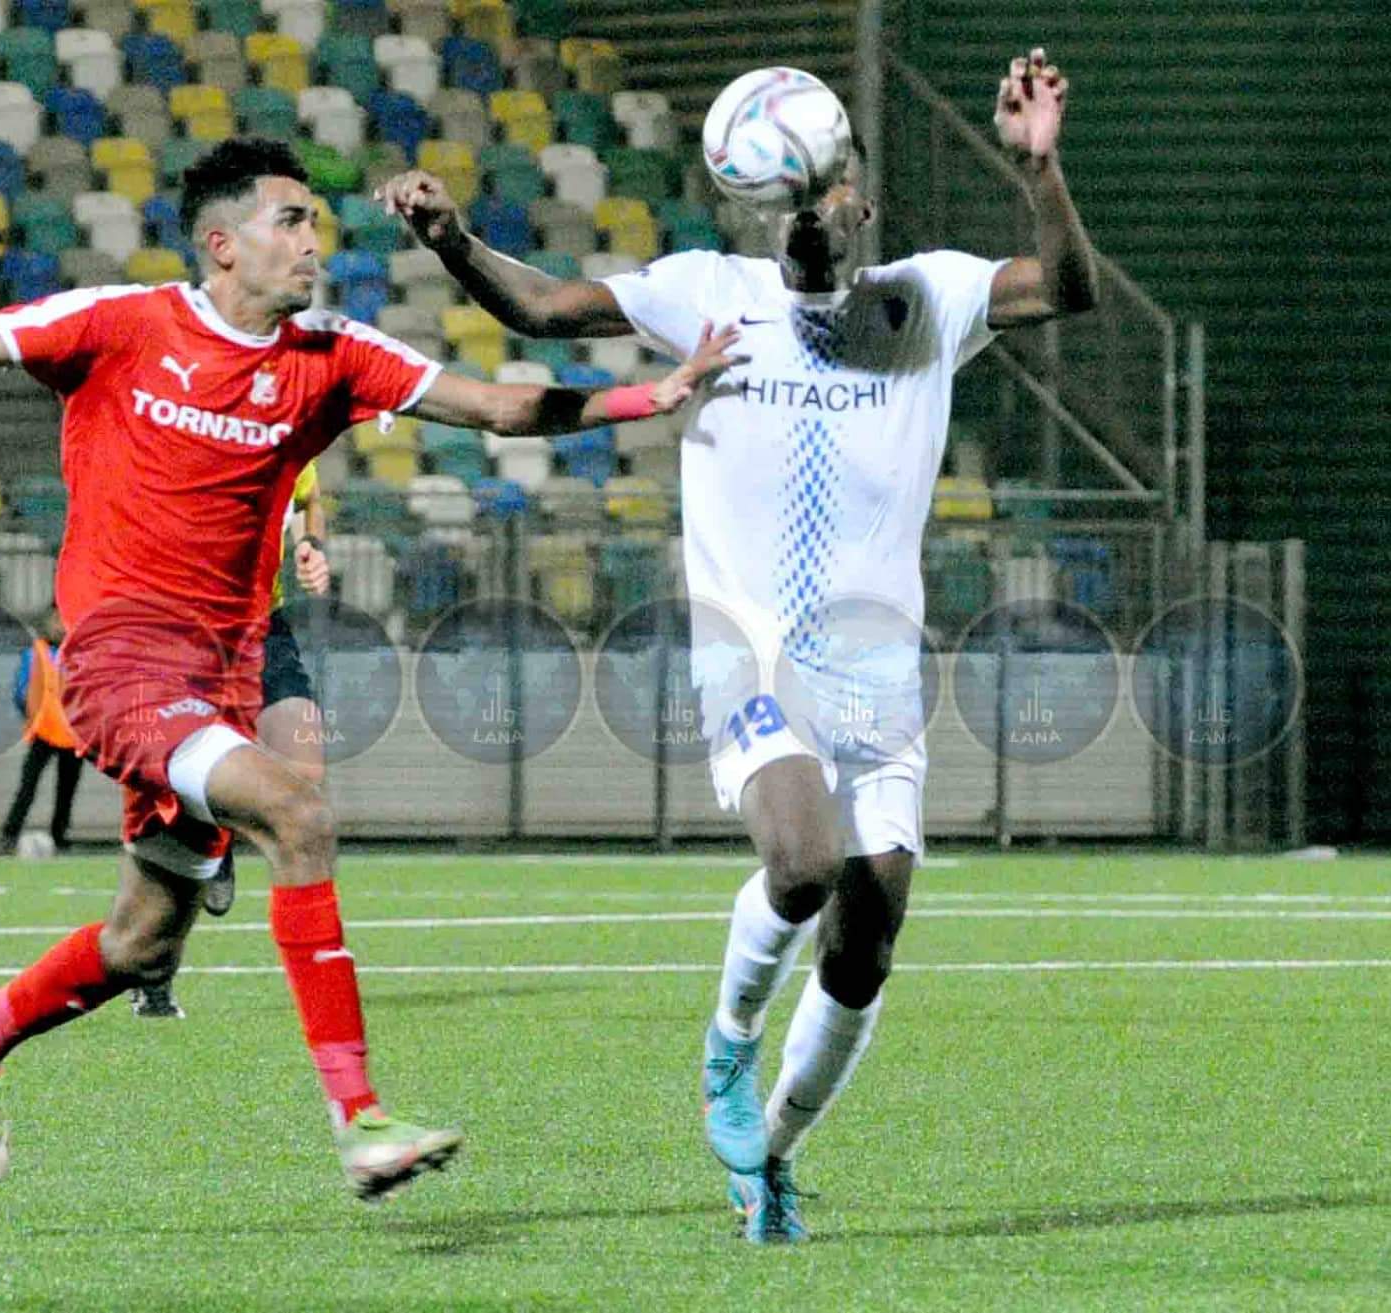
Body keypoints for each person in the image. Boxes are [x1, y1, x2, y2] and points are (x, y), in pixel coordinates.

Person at [0, 136, 733, 1200]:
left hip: (225, 670)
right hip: (119, 661)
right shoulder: (122, 323)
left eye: (315, 220)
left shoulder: (332, 352)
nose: (315, 240)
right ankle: (359, 1116)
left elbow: (499, 407)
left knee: (140, 940)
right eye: (291, 222)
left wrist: (651, 396)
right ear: (223, 245)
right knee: (299, 815)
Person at [379, 51, 1098, 1240]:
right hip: (747, 647)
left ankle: (768, 1152)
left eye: (818, 197)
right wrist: (453, 239)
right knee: (803, 859)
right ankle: (725, 1044)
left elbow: (1067, 285)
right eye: (782, 206)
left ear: (857, 196)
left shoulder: (930, 297)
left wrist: (1040, 170)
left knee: (867, 936)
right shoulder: (704, 287)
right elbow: (545, 309)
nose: (802, 221)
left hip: (875, 664)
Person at [133, 457, 332, 1019]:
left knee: (304, 776)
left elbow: (310, 498)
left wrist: (311, 546)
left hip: (263, 626)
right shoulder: (185, 429)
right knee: (176, 824)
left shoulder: (291, 428)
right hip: (185, 632)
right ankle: (152, 973)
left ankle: (218, 831)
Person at [0, 606, 83, 856]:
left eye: (64, 620)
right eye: (55, 620)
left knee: (66, 790)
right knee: (28, 787)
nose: (60, 625)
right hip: (44, 733)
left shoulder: (78, 655)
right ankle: (9, 836)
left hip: (72, 736)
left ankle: (60, 837)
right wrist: (32, 715)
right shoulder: (36, 653)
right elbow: (22, 690)